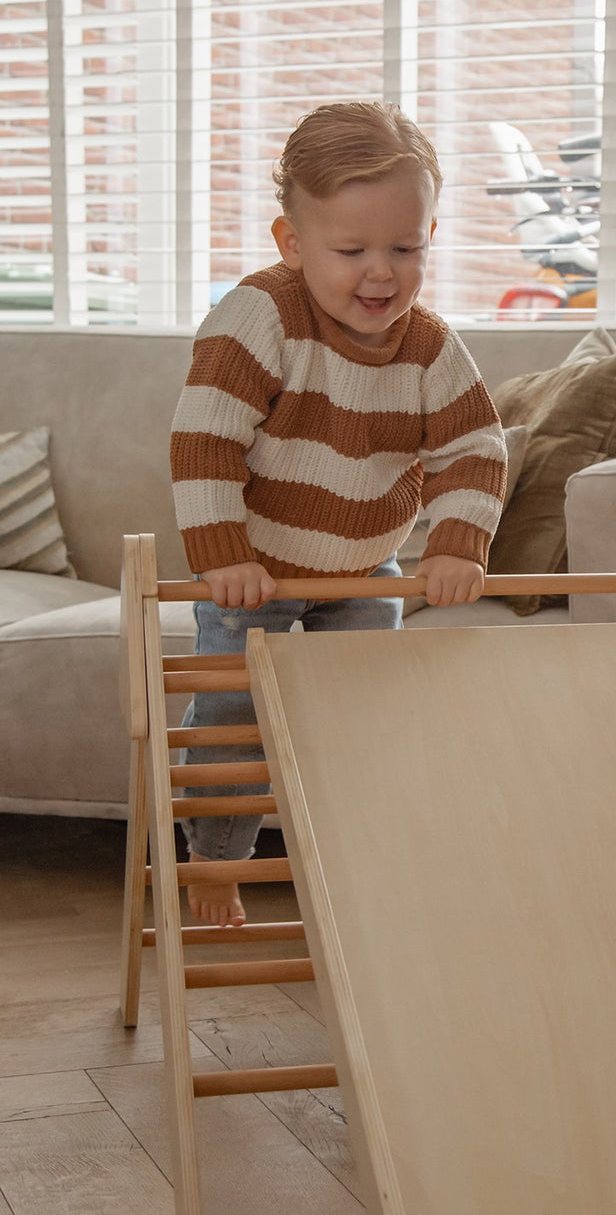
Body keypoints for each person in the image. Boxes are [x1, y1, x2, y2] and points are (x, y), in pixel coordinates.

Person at [170, 101, 507, 927]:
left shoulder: (428, 345)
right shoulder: (261, 316)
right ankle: (216, 863)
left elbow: (474, 447)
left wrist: (458, 544)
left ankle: (355, 859)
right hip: (256, 570)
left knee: (363, 725)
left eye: (406, 248)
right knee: (230, 712)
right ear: (292, 244)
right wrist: (224, 557)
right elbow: (204, 437)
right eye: (351, 250)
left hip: (364, 573)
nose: (381, 273)